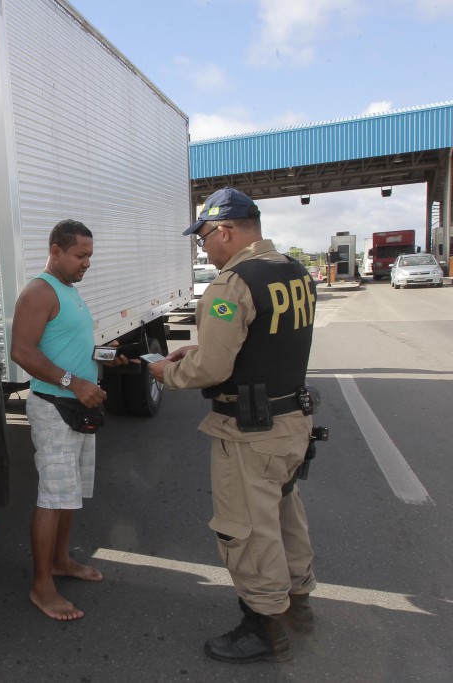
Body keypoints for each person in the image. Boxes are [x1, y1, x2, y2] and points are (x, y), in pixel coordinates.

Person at [149, 187, 318, 663]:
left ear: (225, 230)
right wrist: (197, 351)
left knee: (246, 529)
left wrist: (169, 371)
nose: (203, 248)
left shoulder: (231, 282)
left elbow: (215, 369)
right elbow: (263, 344)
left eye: (204, 237)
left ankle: (264, 628)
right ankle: (298, 604)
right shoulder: (294, 271)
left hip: (250, 431)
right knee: (286, 515)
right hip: (291, 422)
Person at [10, 218, 125, 621]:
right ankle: (42, 587)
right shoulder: (40, 292)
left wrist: (106, 357)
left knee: (69, 494)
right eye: (80, 255)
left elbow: (69, 346)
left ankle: (60, 561)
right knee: (53, 497)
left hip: (78, 408)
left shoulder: (70, 292)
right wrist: (72, 382)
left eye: (89, 256)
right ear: (55, 250)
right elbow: (21, 351)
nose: (86, 264)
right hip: (55, 408)